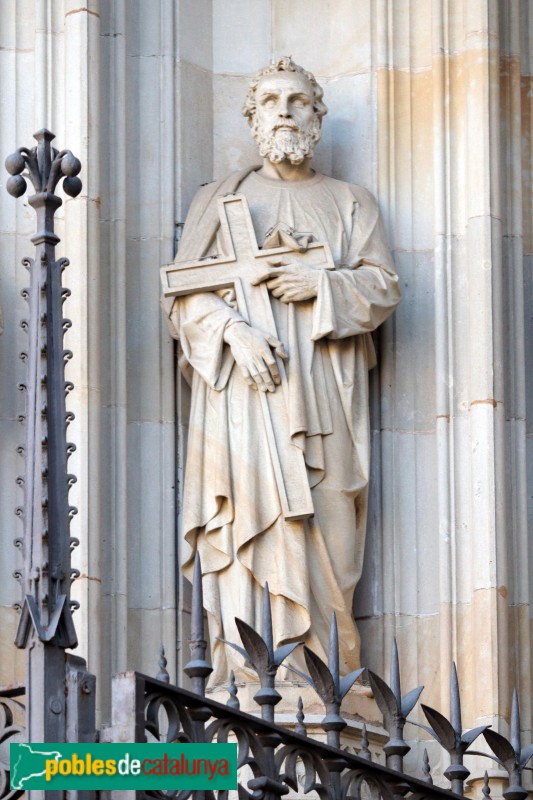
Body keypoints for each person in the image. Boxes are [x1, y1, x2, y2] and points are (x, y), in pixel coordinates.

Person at [162, 57, 401, 687]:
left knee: (328, 534)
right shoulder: (220, 201)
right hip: (245, 400)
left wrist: (320, 284)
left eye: (299, 101)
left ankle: (322, 689)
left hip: (323, 402)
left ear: (318, 117)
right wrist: (232, 330)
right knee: (248, 525)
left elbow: (382, 289)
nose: (286, 111)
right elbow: (183, 295)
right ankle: (248, 679)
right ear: (253, 117)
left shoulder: (351, 203)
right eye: (271, 101)